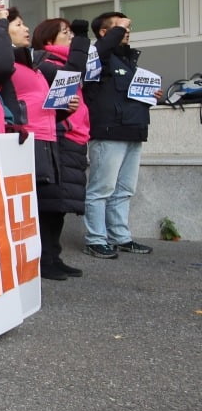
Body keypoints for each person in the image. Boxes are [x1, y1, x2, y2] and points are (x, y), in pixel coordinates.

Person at [0, 9, 83, 280]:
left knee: (52, 203)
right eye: (18, 24)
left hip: (50, 137)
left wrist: (65, 108)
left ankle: (53, 256)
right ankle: (38, 260)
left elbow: (47, 105)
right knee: (37, 204)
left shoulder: (35, 66)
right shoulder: (6, 64)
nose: (25, 29)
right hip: (27, 138)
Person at [81, 13, 159, 259]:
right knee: (101, 189)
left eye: (128, 27)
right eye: (121, 27)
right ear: (104, 33)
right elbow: (98, 54)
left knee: (124, 190)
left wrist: (151, 94)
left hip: (132, 129)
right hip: (108, 131)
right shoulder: (97, 57)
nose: (127, 31)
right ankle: (95, 239)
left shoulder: (127, 60)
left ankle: (120, 237)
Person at [31, 17, 91, 278]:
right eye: (65, 33)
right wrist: (82, 39)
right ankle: (44, 260)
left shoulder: (65, 64)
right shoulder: (46, 64)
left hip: (74, 138)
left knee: (61, 205)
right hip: (59, 136)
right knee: (51, 204)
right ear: (48, 39)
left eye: (70, 33)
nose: (70, 37)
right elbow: (71, 76)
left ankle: (54, 256)